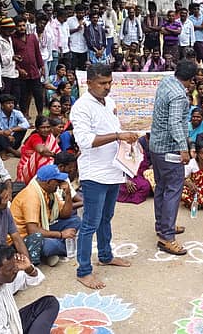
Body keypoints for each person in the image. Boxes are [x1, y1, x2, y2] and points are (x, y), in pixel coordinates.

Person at [67, 64, 136, 289]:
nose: (107, 87)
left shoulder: (111, 103)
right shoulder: (80, 108)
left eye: (109, 83)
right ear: (89, 83)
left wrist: (125, 139)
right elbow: (86, 141)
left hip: (113, 169)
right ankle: (83, 270)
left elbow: (115, 132)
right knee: (90, 223)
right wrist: (117, 135)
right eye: (102, 83)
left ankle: (106, 255)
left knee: (107, 217)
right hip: (94, 173)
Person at [149, 60, 197, 256]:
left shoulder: (166, 82)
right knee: (173, 190)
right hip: (169, 149)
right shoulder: (179, 95)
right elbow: (175, 122)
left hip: (156, 146)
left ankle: (162, 225)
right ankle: (167, 238)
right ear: (191, 79)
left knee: (161, 187)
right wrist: (183, 148)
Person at [10, 164, 80, 266]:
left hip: (44, 226)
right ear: (48, 182)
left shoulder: (50, 192)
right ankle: (59, 249)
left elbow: (65, 214)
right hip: (25, 238)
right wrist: (61, 234)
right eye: (58, 181)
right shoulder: (32, 196)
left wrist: (68, 195)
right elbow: (33, 231)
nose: (60, 184)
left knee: (75, 221)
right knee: (51, 245)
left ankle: (54, 252)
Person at [16, 116, 59, 183]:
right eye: (43, 127)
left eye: (48, 127)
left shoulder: (50, 137)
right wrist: (53, 155)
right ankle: (42, 180)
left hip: (36, 166)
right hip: (26, 168)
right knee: (43, 157)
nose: (46, 130)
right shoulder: (35, 137)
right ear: (37, 129)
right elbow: (41, 150)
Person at [0, 94, 29, 158]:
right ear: (2, 105)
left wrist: (11, 130)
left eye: (12, 103)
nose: (11, 105)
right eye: (8, 103)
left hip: (13, 141)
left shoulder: (17, 113)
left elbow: (26, 124)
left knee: (23, 128)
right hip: (1, 141)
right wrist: (4, 133)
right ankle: (12, 151)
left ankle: (5, 151)